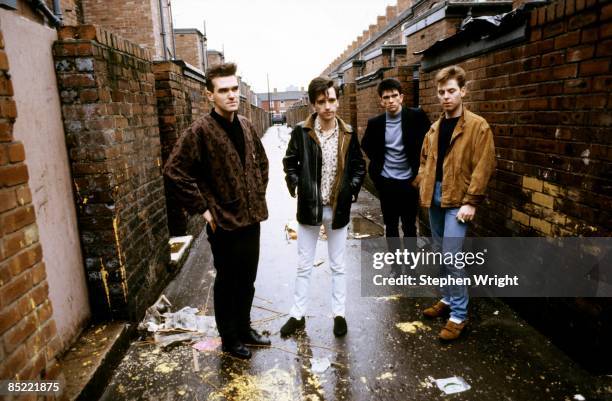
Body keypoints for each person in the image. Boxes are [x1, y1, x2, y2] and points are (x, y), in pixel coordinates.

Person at [164, 62, 270, 359]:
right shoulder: (200, 131)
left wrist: (257, 193)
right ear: (210, 95)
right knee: (228, 280)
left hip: (251, 217)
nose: (232, 95)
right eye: (224, 90)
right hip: (222, 222)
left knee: (248, 278)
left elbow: (261, 162)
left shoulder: (247, 125)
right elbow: (174, 171)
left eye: (235, 89)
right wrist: (204, 210)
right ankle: (230, 337)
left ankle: (245, 328)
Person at [414, 65, 496, 341]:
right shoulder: (435, 128)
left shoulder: (477, 126)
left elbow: (484, 165)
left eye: (451, 91)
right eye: (441, 92)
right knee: (440, 252)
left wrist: (471, 201)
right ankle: (447, 300)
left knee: (452, 255)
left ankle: (459, 315)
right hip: (435, 196)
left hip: (458, 200)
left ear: (463, 91)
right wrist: (422, 183)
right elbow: (426, 160)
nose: (446, 97)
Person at [281, 76, 365, 337]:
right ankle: (297, 315)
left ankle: (339, 314)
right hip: (310, 208)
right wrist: (298, 185)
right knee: (304, 264)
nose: (328, 106)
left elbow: (358, 166)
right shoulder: (302, 132)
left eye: (332, 100)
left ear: (337, 101)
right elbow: (290, 161)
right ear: (313, 105)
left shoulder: (348, 133)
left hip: (337, 208)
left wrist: (351, 189)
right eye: (322, 102)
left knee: (338, 265)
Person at [361, 78, 430, 266]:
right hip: (387, 182)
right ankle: (395, 266)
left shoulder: (416, 117)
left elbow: (429, 143)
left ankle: (411, 266)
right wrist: (379, 164)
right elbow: (365, 144)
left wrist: (421, 171)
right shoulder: (375, 123)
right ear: (381, 101)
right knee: (390, 226)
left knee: (409, 226)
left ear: (401, 97)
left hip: (409, 181)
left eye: (394, 96)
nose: (390, 100)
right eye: (386, 97)